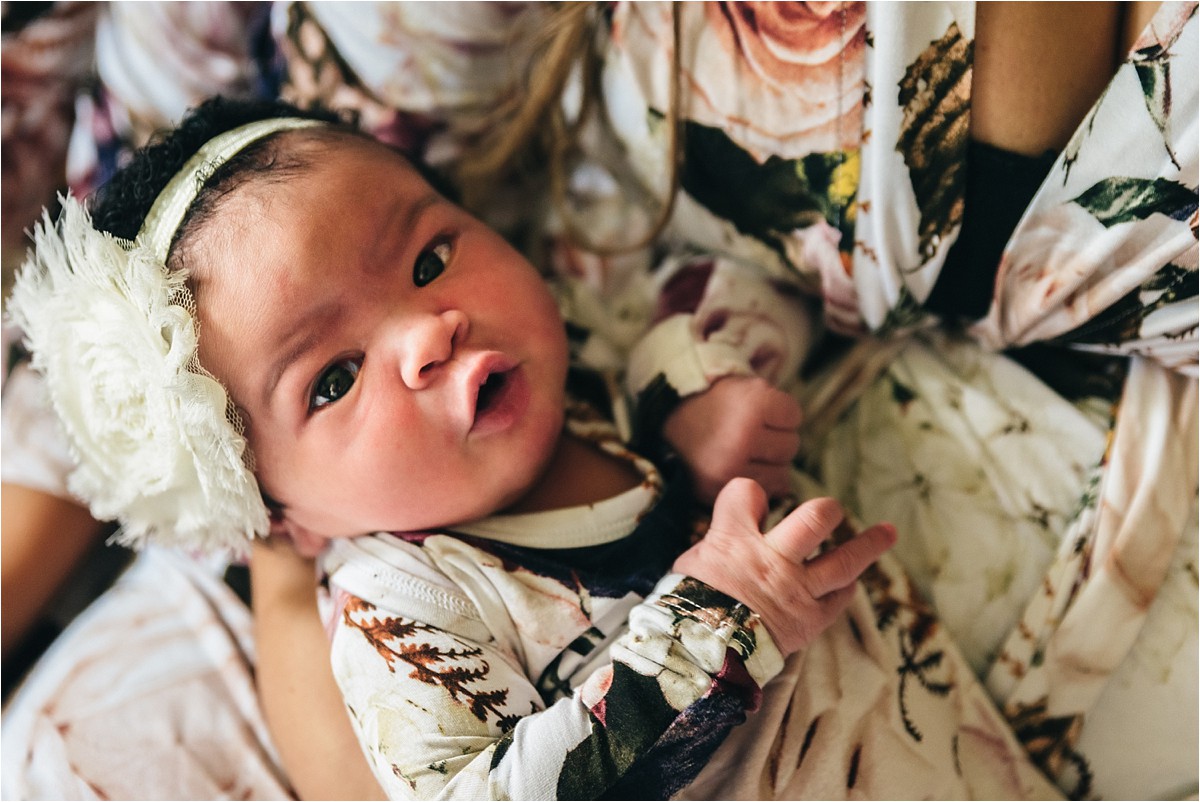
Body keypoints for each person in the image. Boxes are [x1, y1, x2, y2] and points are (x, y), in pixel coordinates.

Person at [2, 2, 1195, 799]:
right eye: (333, 377)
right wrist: (715, 632)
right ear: (283, 515)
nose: (428, 332)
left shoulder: (573, 399)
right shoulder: (399, 606)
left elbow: (667, 344)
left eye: (430, 257)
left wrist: (696, 409)